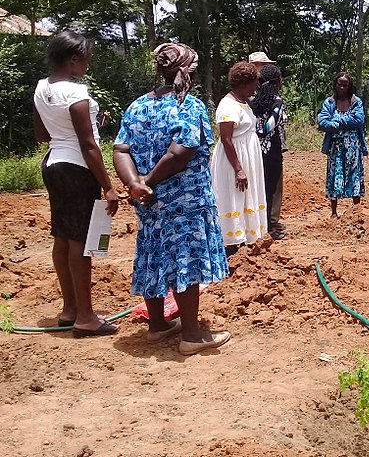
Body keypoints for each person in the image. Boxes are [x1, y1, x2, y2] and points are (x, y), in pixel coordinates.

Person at [113, 42, 231, 354]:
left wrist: (134, 184)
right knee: (185, 258)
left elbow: (120, 149)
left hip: (149, 204)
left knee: (153, 254)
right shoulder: (189, 106)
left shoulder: (137, 106)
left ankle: (158, 326)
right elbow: (180, 152)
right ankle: (191, 335)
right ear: (188, 72)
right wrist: (146, 182)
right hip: (184, 200)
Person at [33, 30, 120, 337]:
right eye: (86, 59)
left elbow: (43, 135)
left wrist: (92, 127)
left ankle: (70, 309)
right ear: (73, 60)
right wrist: (108, 186)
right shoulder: (76, 93)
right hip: (77, 169)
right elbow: (88, 146)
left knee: (63, 235)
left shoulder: (42, 88)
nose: (88, 64)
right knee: (81, 242)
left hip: (54, 163)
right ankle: (86, 317)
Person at [210, 62, 269, 253]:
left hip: (247, 159)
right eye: (253, 83)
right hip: (232, 162)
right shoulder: (227, 105)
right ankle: (231, 247)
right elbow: (226, 140)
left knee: (246, 199)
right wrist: (238, 169)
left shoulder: (244, 103)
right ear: (243, 83)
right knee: (233, 199)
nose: (255, 88)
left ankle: (245, 241)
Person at [317, 73, 368, 217]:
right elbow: (322, 121)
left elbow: (358, 119)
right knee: (335, 176)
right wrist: (343, 121)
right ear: (335, 85)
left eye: (345, 85)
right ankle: (334, 212)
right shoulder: (330, 102)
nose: (342, 87)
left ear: (350, 86)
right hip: (335, 146)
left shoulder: (356, 102)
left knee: (354, 176)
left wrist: (336, 120)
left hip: (353, 147)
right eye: (340, 84)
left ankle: (356, 211)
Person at [249, 51, 286, 236]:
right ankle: (269, 228)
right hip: (271, 150)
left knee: (260, 186)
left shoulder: (251, 100)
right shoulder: (277, 101)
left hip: (255, 149)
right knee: (270, 187)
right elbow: (267, 127)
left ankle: (262, 224)